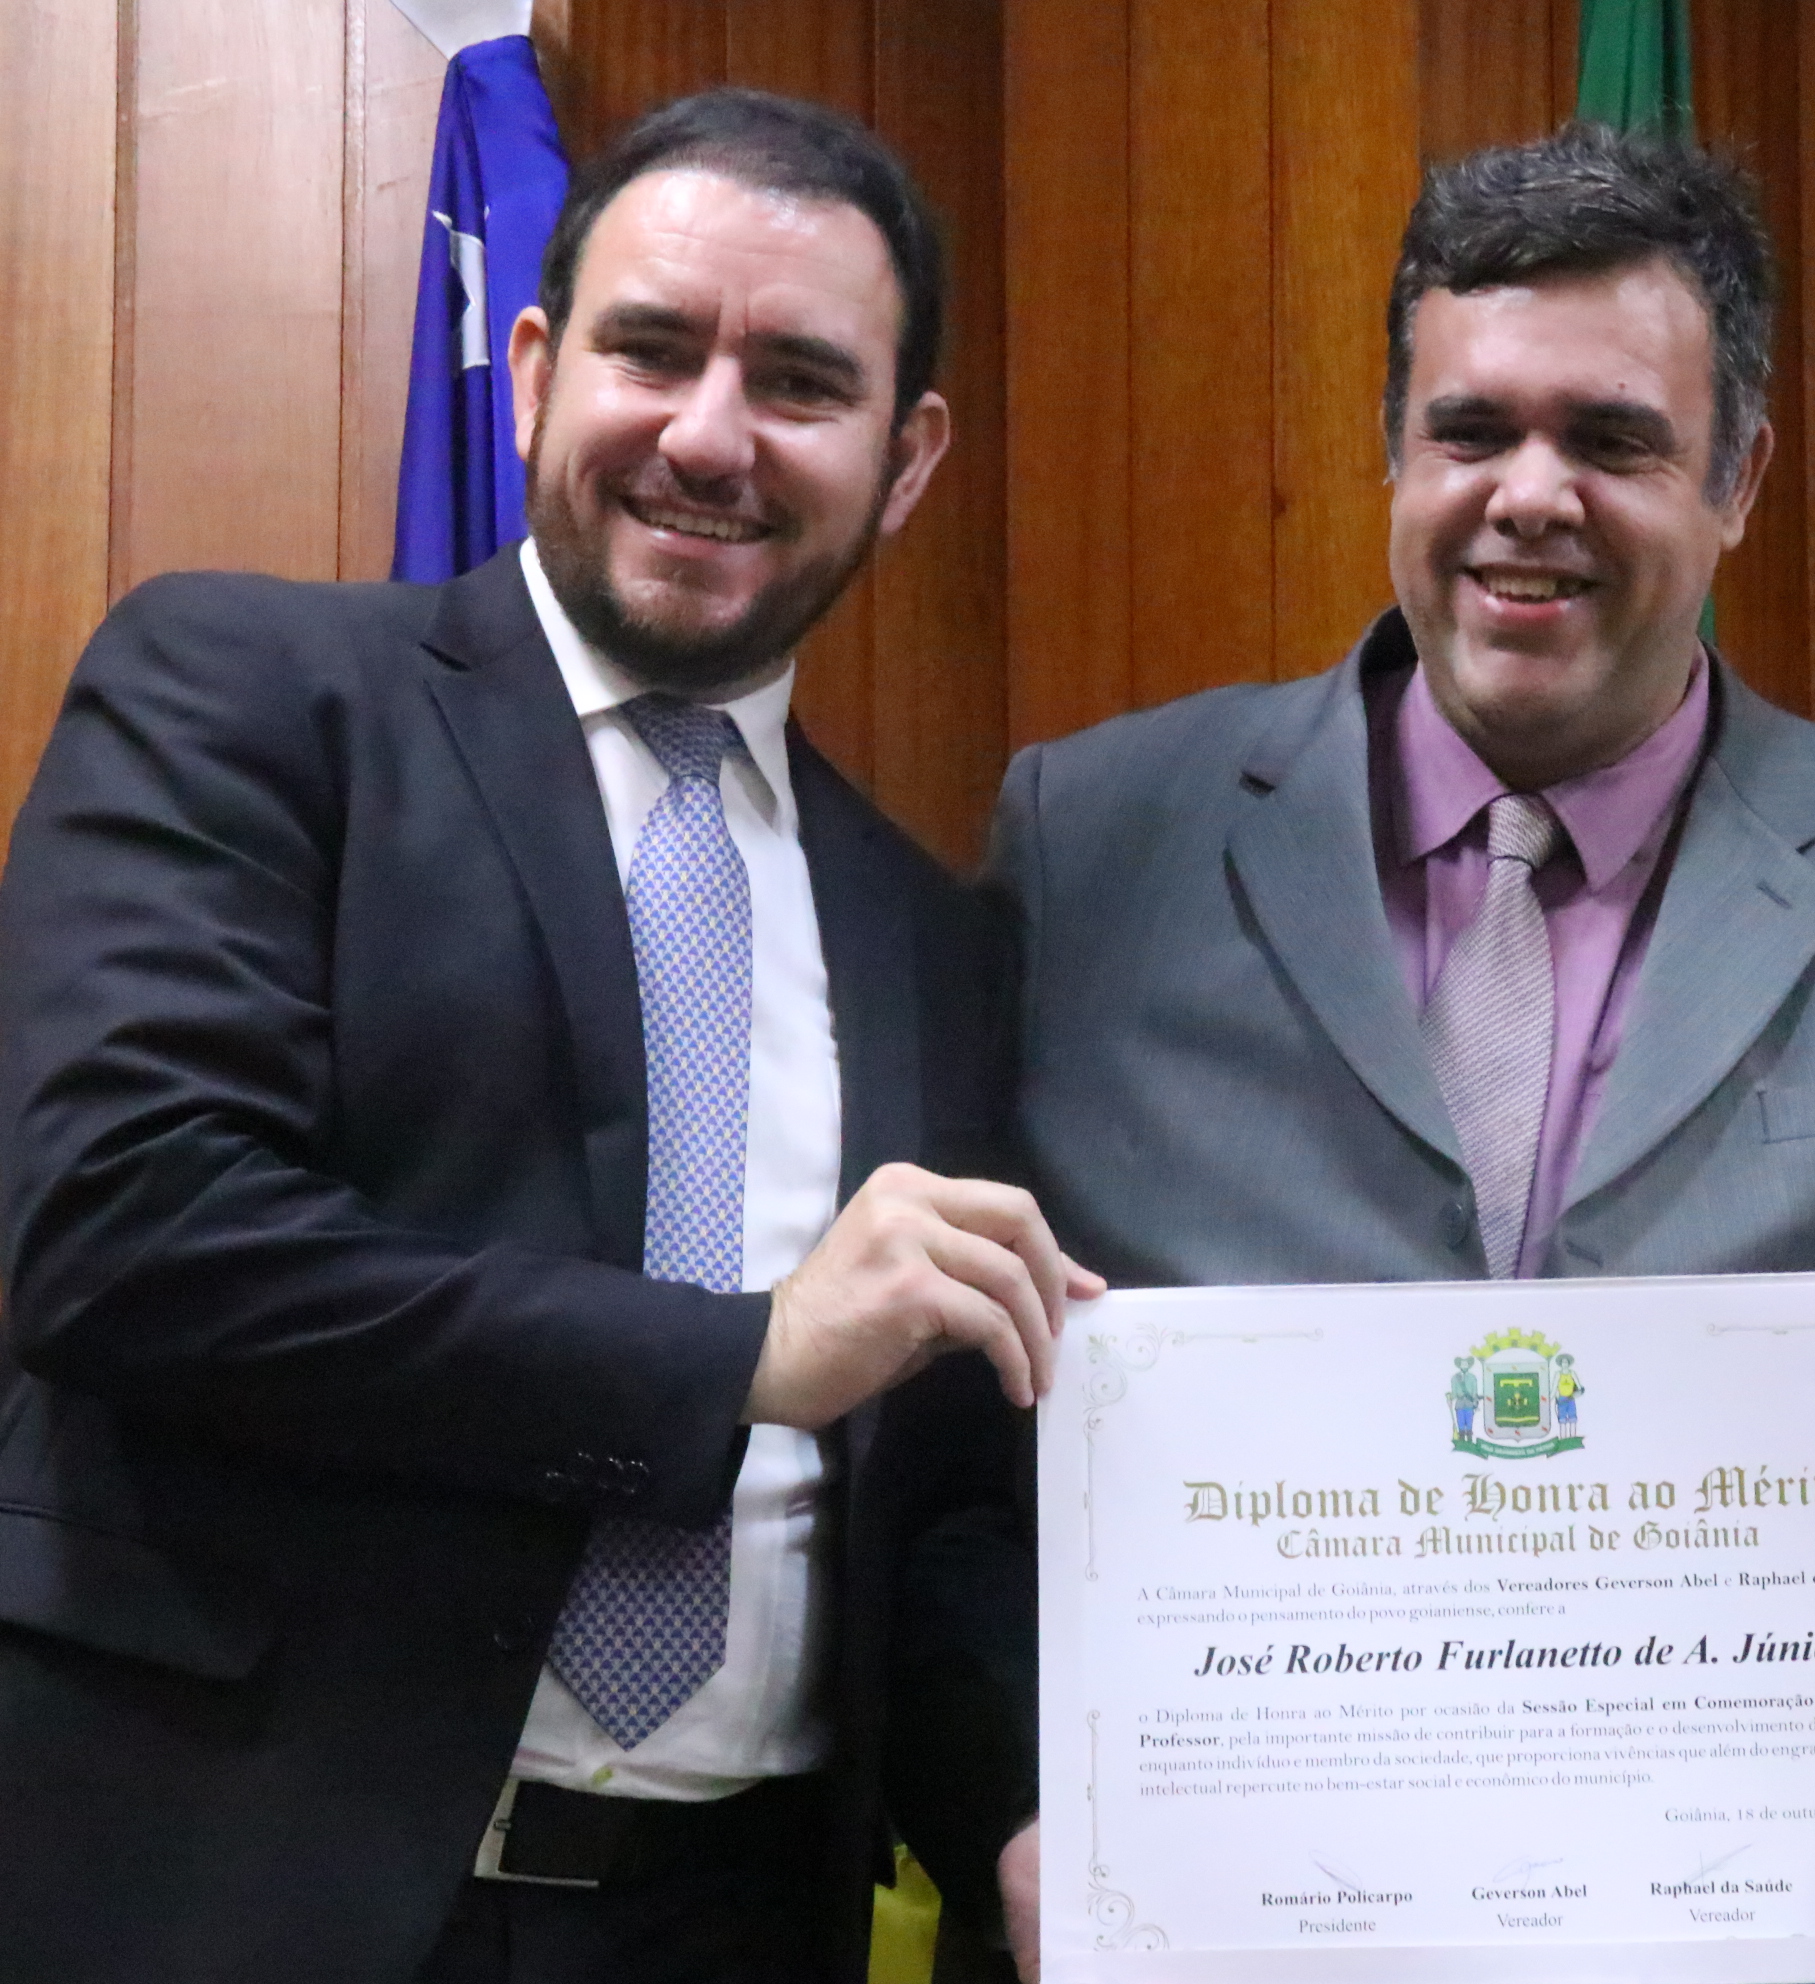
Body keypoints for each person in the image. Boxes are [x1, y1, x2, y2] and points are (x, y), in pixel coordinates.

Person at [985, 121, 1815, 1979]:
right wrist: (1010, 1813)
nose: (1531, 496)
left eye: (1612, 439)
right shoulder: (1092, 845)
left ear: (1739, 478)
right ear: (1393, 451)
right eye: (1472, 430)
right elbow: (965, 1468)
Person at [0, 88, 1087, 1984]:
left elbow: (918, 1510)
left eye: (801, 383)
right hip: (234, 1893)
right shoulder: (249, 695)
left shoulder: (937, 937)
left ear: (907, 459)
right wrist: (744, 1357)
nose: (710, 435)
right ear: (529, 373)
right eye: (652, 351)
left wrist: (1024, 1810)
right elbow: (127, 1235)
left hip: (735, 1926)